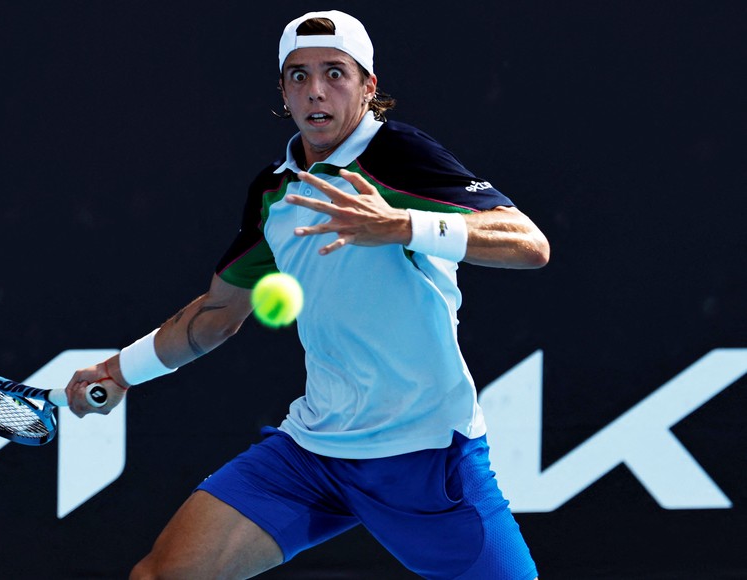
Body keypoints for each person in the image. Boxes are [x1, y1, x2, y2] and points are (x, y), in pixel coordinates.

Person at [66, 10, 549, 580]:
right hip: (315, 452)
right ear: (283, 91)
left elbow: (529, 243)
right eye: (298, 76)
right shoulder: (275, 189)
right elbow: (219, 313)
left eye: (335, 73)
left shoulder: (401, 156)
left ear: (369, 85)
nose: (316, 90)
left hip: (423, 454)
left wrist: (402, 225)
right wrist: (121, 371)